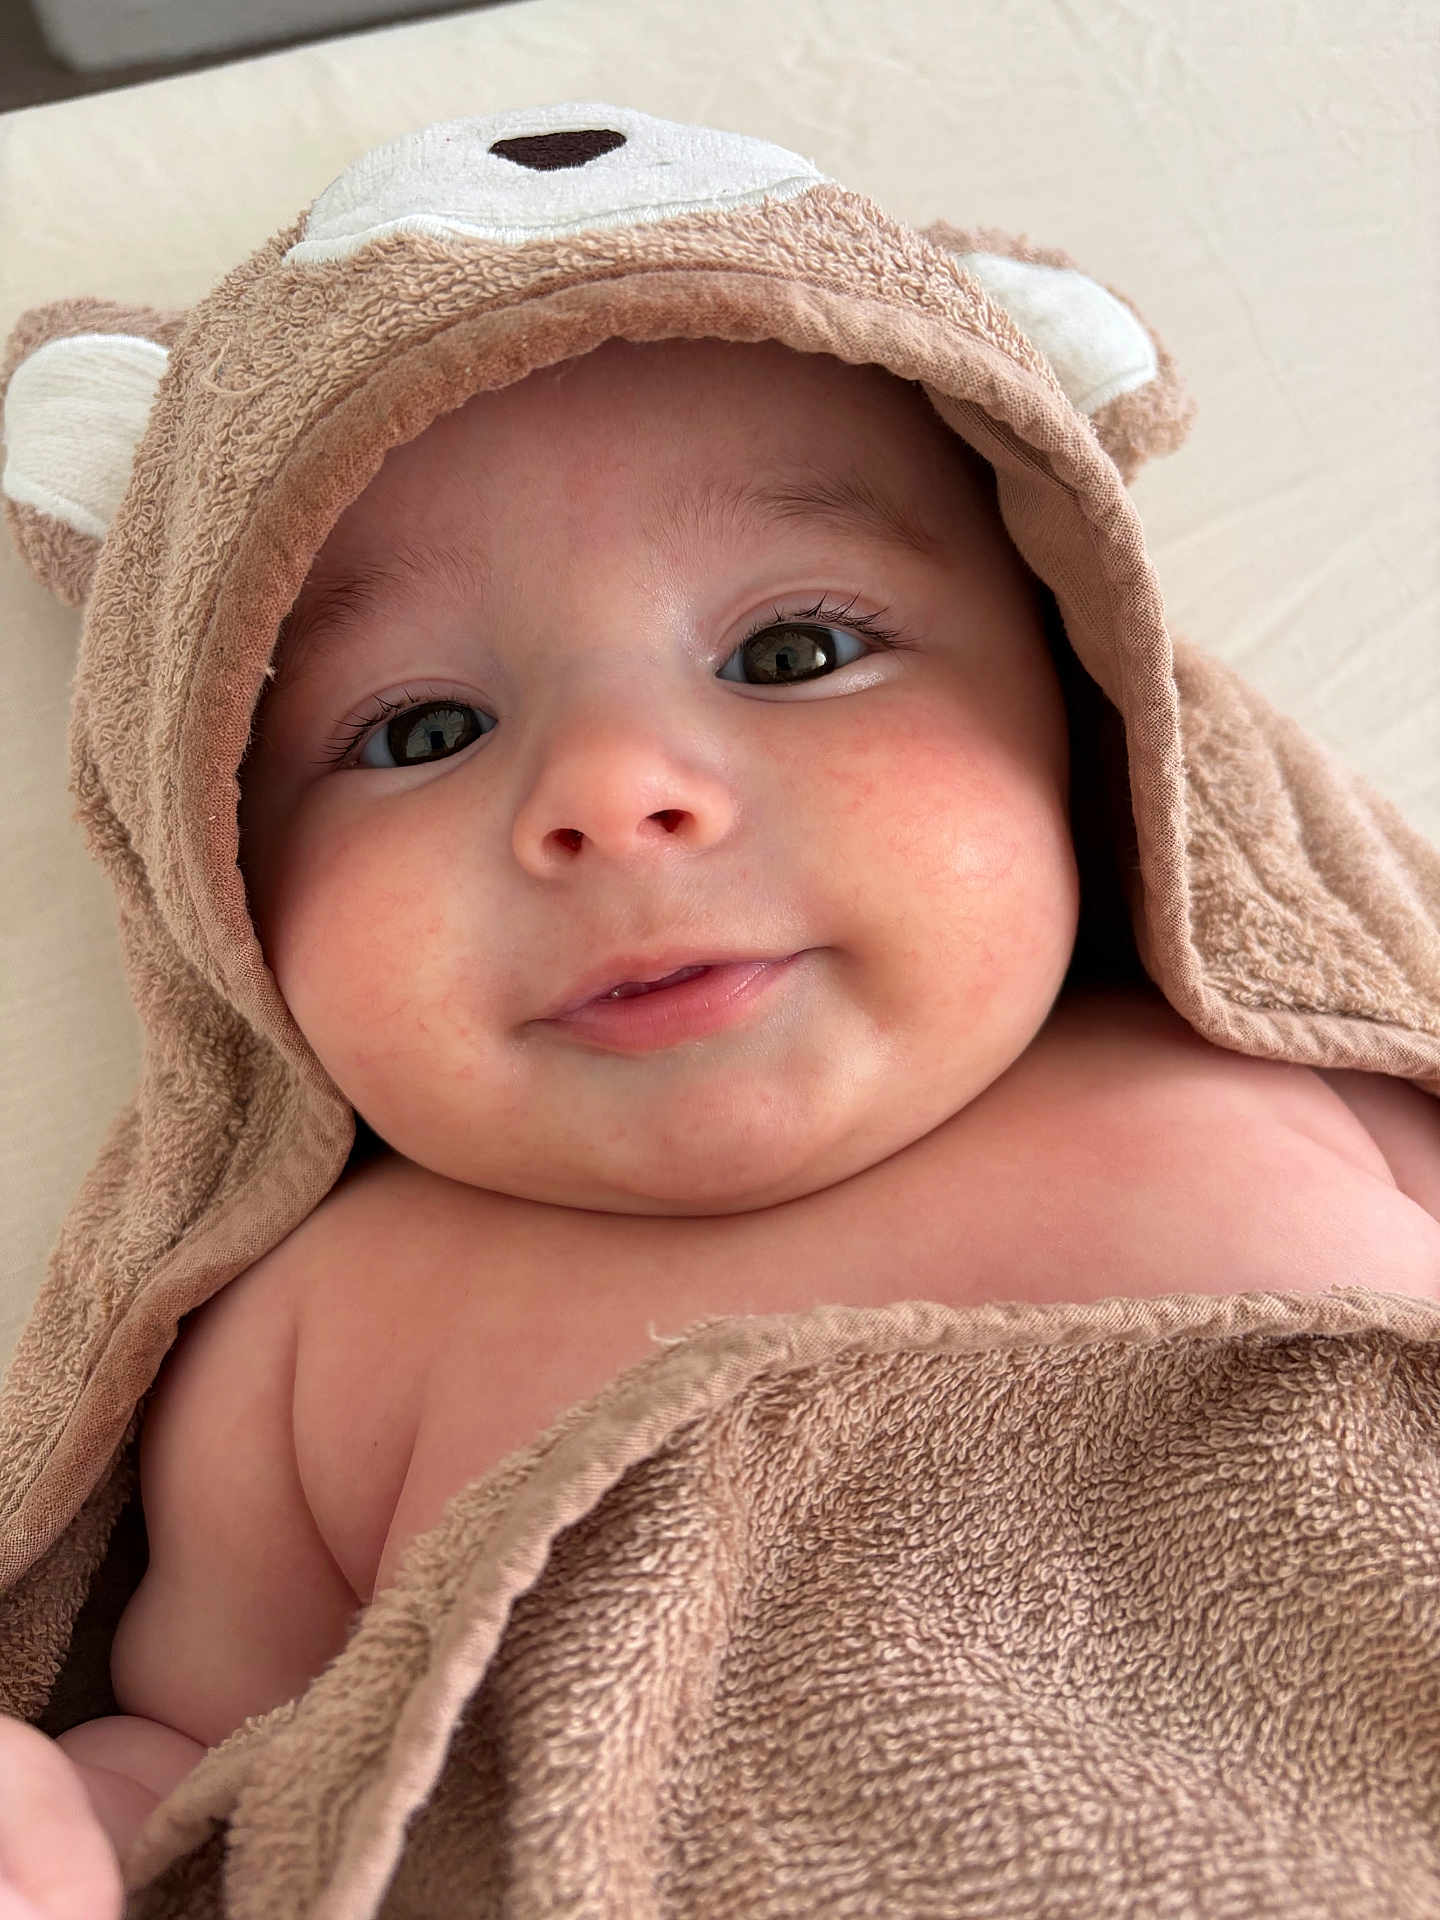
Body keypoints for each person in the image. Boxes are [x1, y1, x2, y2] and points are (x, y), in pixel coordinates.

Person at [2, 108, 1437, 1920]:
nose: (616, 794)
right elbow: (205, 1778)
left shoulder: (1289, 1087)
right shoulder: (307, 1342)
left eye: (794, 652)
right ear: (219, 890)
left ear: (1086, 719)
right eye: (421, 733)